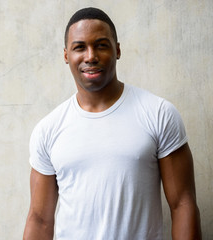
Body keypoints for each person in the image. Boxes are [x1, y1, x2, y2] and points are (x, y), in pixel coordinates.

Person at [23, 7, 201, 240]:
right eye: (79, 47)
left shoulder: (158, 113)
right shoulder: (48, 129)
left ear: (117, 50)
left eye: (101, 45)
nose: (90, 56)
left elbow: (182, 205)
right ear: (66, 56)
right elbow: (39, 219)